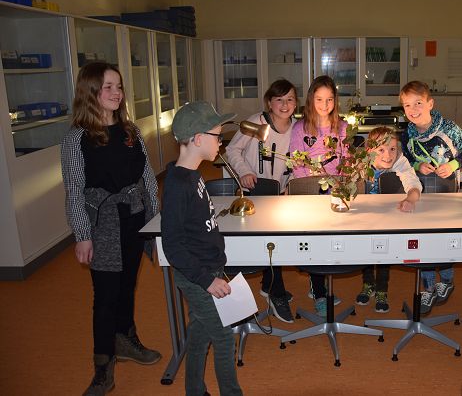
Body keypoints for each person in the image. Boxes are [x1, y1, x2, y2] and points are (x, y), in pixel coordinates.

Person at [61, 62, 161, 396]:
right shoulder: (77, 138)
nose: (116, 93)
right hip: (103, 223)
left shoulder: (131, 131)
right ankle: (102, 367)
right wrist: (82, 235)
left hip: (134, 216)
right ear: (90, 92)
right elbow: (74, 190)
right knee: (105, 296)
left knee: (128, 285)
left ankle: (126, 340)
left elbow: (147, 179)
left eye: (118, 86)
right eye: (108, 87)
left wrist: (155, 220)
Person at [161, 101, 243, 395]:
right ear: (198, 139)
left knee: (199, 333)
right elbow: (172, 245)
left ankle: (194, 390)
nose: (221, 142)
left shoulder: (194, 175)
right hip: (197, 276)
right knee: (223, 337)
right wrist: (207, 280)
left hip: (209, 268)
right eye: (217, 136)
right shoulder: (177, 186)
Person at [399, 80, 462, 315]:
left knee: (444, 238)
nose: (413, 109)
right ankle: (429, 287)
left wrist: (452, 164)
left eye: (418, 103)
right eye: (407, 105)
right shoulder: (407, 134)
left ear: (430, 104)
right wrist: (417, 165)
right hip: (420, 192)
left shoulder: (449, 128)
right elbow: (404, 159)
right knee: (422, 240)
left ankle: (447, 279)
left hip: (446, 193)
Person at [225, 79, 297, 323]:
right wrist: (245, 171)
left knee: (278, 241)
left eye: (290, 99)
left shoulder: (297, 128)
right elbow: (232, 150)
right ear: (269, 102)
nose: (285, 105)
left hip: (280, 193)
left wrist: (291, 186)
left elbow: (299, 161)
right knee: (268, 241)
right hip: (255, 191)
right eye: (279, 99)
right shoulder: (257, 122)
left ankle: (268, 284)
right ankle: (276, 292)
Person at [289, 75, 348, 316]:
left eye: (329, 99)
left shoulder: (342, 127)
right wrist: (313, 186)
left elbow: (346, 161)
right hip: (310, 193)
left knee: (332, 240)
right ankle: (319, 292)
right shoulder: (300, 128)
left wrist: (340, 186)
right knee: (315, 242)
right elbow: (297, 164)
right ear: (311, 100)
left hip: (336, 192)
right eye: (319, 99)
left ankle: (324, 284)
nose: (325, 104)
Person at [356, 127, 422, 313]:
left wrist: (410, 199)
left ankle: (382, 290)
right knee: (365, 250)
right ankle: (368, 283)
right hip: (364, 215)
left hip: (388, 215)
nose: (388, 155)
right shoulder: (359, 162)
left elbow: (413, 184)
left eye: (392, 149)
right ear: (369, 150)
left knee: (384, 251)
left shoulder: (399, 161)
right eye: (381, 150)